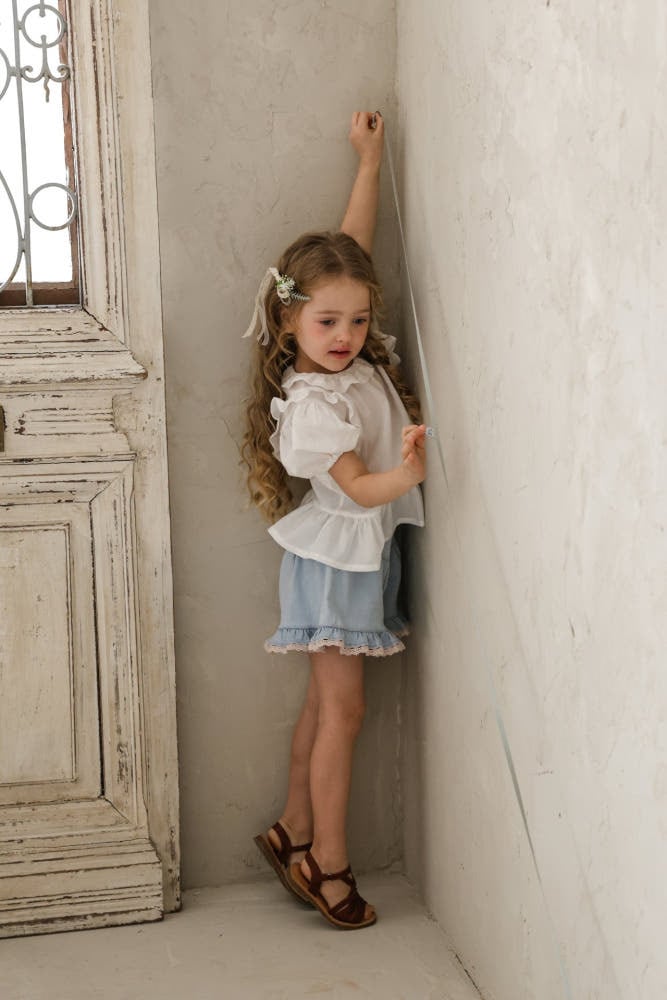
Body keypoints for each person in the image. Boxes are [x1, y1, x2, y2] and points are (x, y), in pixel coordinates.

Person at [241, 111, 426, 930]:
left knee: (325, 707)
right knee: (342, 715)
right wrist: (410, 473)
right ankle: (329, 862)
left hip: (355, 556)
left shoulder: (347, 347)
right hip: (338, 560)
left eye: (356, 319)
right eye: (327, 323)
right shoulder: (314, 402)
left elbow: (349, 252)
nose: (347, 335)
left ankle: (292, 826)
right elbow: (356, 487)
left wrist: (369, 160)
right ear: (288, 321)